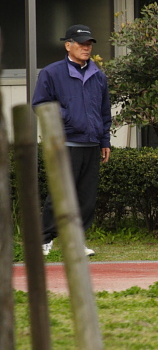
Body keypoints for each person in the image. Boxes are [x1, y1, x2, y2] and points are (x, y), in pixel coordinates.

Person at [32, 24, 112, 257]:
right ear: (68, 46)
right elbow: (40, 104)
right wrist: (70, 119)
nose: (86, 48)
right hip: (65, 143)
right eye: (81, 44)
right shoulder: (52, 72)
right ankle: (44, 239)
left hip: (92, 144)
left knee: (86, 198)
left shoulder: (98, 75)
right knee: (60, 194)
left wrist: (104, 141)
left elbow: (104, 111)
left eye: (89, 44)